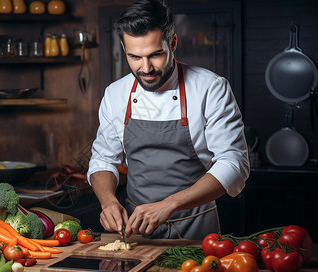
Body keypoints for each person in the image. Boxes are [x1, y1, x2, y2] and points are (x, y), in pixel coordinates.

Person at [87, 0, 249, 240]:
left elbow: (234, 164)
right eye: (135, 57)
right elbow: (102, 159)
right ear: (123, 48)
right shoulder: (116, 94)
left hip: (197, 229)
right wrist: (108, 201)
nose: (146, 68)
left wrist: (170, 204)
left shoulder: (210, 88)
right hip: (134, 230)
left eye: (155, 55)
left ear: (173, 43)